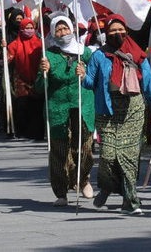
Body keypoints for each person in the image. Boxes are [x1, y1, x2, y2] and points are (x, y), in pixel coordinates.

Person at [80, 14, 151, 215]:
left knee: (128, 158)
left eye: (120, 30)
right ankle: (108, 186)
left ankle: (131, 201)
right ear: (107, 34)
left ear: (126, 31)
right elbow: (90, 83)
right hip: (107, 111)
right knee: (108, 156)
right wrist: (82, 75)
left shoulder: (137, 55)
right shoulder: (99, 56)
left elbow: (149, 83)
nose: (117, 33)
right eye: (113, 31)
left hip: (133, 110)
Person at [36, 15, 96, 206]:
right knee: (60, 151)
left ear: (72, 30)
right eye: (58, 30)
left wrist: (85, 74)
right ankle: (61, 192)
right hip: (58, 108)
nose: (63, 33)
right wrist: (43, 72)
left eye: (65, 29)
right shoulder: (49, 55)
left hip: (82, 106)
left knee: (85, 148)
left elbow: (96, 77)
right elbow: (38, 88)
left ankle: (83, 179)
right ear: (53, 33)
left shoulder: (84, 53)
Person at [6, 18, 44, 140]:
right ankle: (22, 130)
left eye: (31, 28)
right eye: (26, 28)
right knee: (22, 105)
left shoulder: (40, 44)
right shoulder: (14, 45)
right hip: (21, 80)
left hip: (37, 78)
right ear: (21, 29)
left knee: (37, 106)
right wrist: (1, 49)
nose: (29, 30)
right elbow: (8, 60)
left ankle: (36, 131)